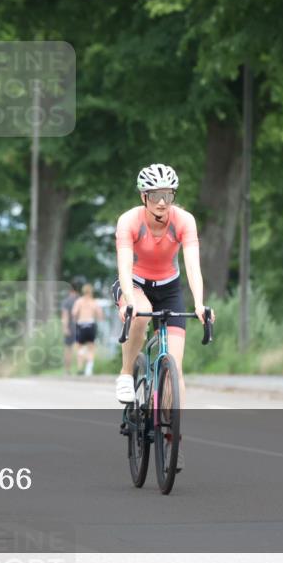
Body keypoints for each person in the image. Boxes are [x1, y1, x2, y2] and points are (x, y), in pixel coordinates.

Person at [112, 164, 213, 472]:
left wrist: (199, 303)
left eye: (167, 195)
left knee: (175, 369)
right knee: (140, 317)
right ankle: (127, 373)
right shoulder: (129, 221)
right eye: (155, 195)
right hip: (135, 283)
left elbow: (193, 266)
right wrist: (129, 301)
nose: (161, 203)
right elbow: (124, 266)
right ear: (144, 197)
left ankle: (172, 441)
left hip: (169, 288)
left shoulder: (184, 221)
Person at [72, 284, 104, 376]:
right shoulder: (94, 302)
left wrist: (76, 319)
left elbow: (74, 313)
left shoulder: (79, 301)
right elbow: (100, 315)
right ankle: (89, 368)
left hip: (81, 324)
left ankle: (80, 368)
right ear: (91, 292)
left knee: (79, 347)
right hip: (91, 325)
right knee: (91, 348)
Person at [61, 282, 79, 375]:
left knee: (68, 350)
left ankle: (67, 370)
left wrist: (65, 328)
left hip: (70, 327)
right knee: (79, 348)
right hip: (80, 326)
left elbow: (65, 316)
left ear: (70, 290)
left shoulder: (66, 301)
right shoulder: (80, 300)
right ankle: (79, 369)